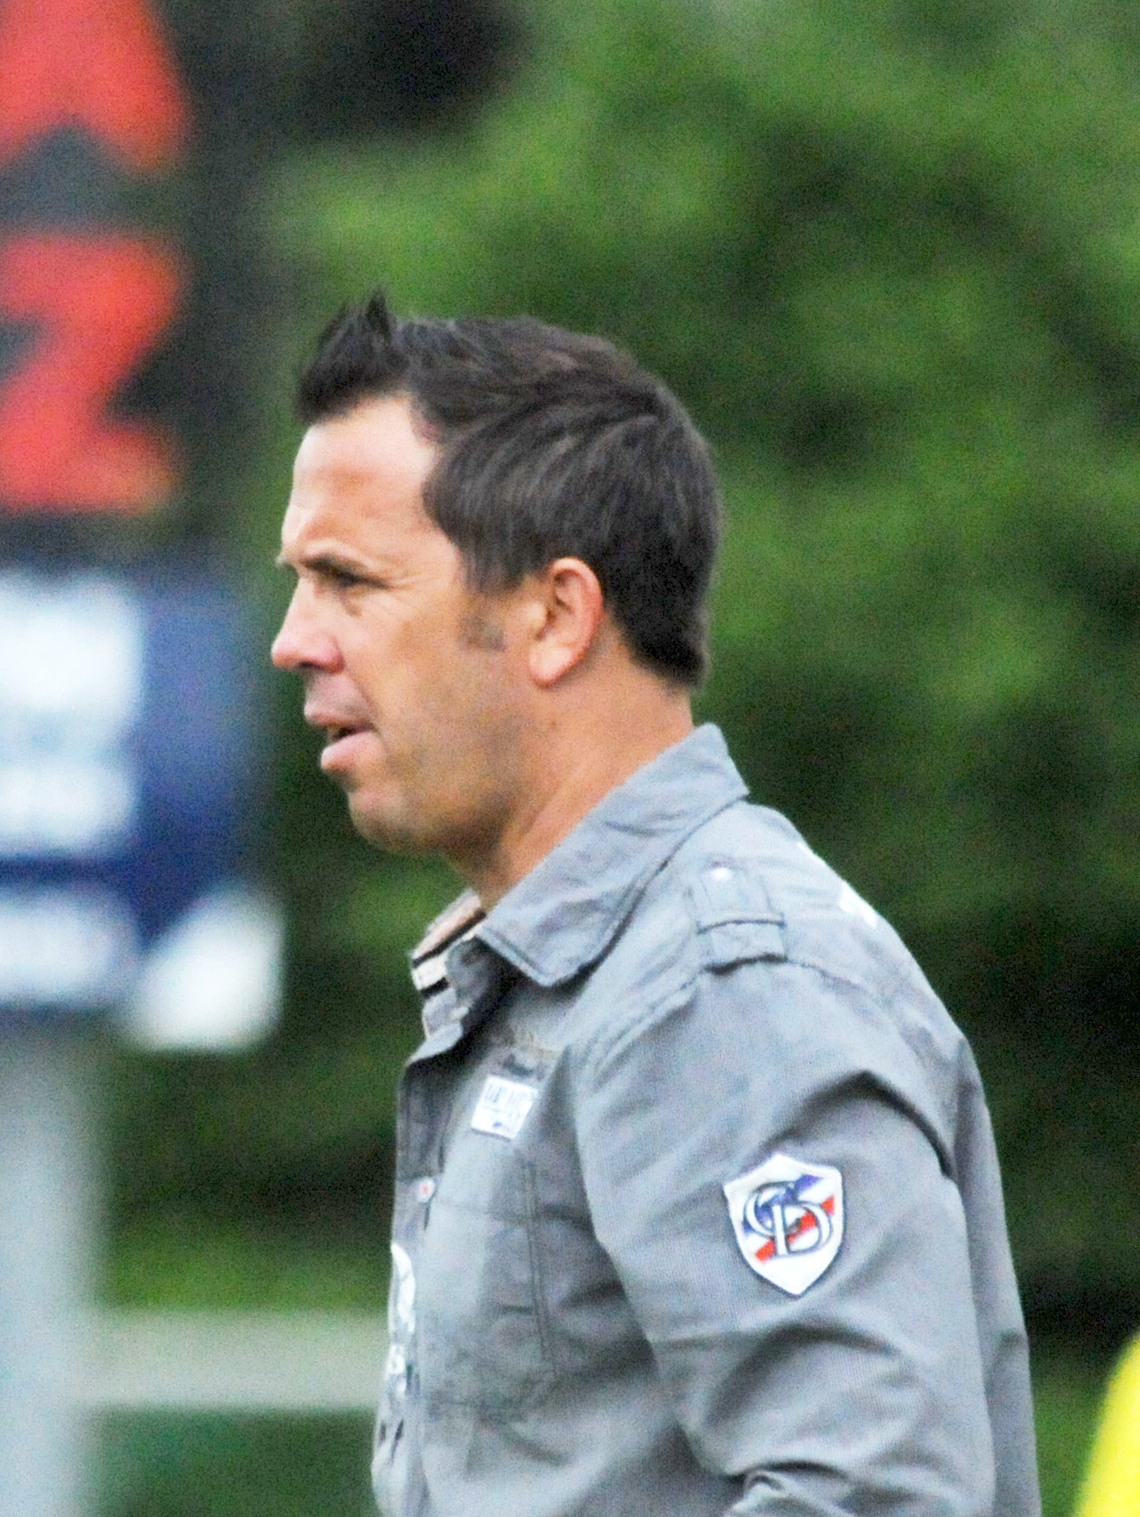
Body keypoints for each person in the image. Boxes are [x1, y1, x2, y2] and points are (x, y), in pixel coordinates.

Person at [269, 295, 1038, 1516]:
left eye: (347, 581)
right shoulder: (593, 974)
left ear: (556, 616)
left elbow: (870, 1493)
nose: (295, 640)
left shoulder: (720, 989)